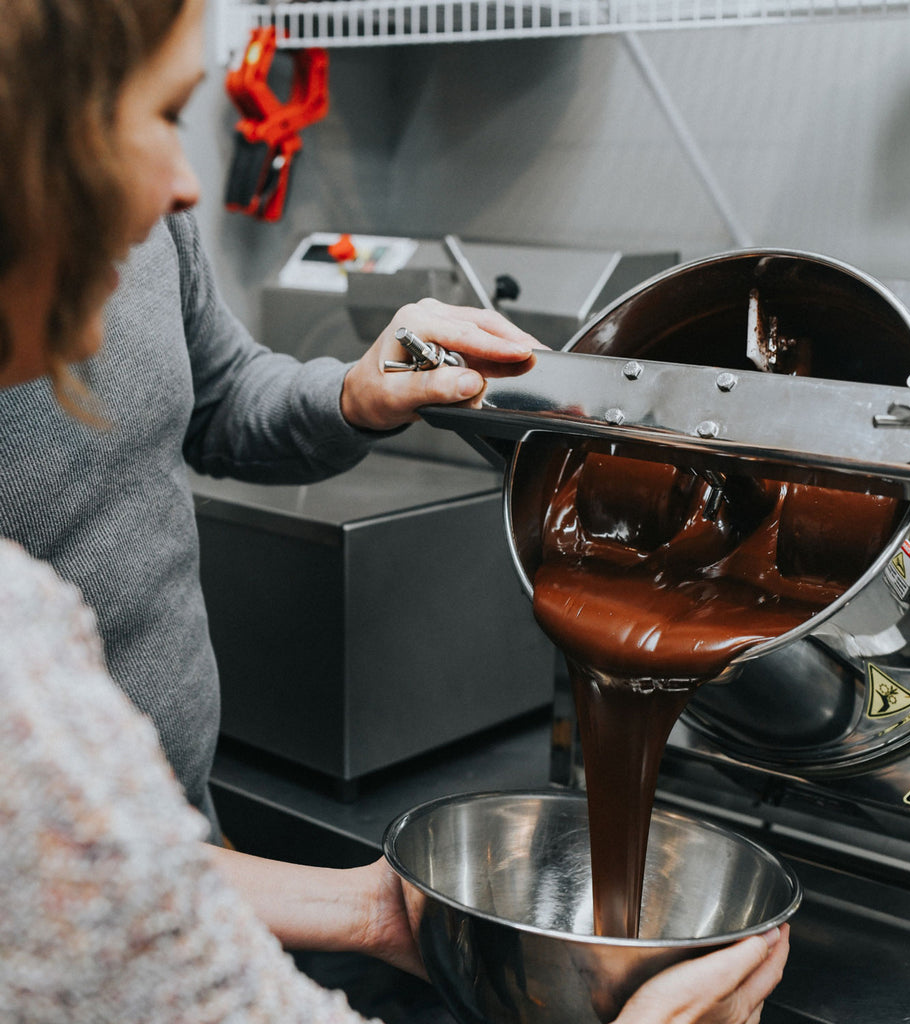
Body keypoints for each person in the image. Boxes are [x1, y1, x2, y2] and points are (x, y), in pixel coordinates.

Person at [0, 0, 791, 1021]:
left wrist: (352, 392)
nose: (189, 181)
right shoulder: (19, 664)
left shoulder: (146, 237)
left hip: (167, 836)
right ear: (34, 138)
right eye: (159, 113)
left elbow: (219, 393)